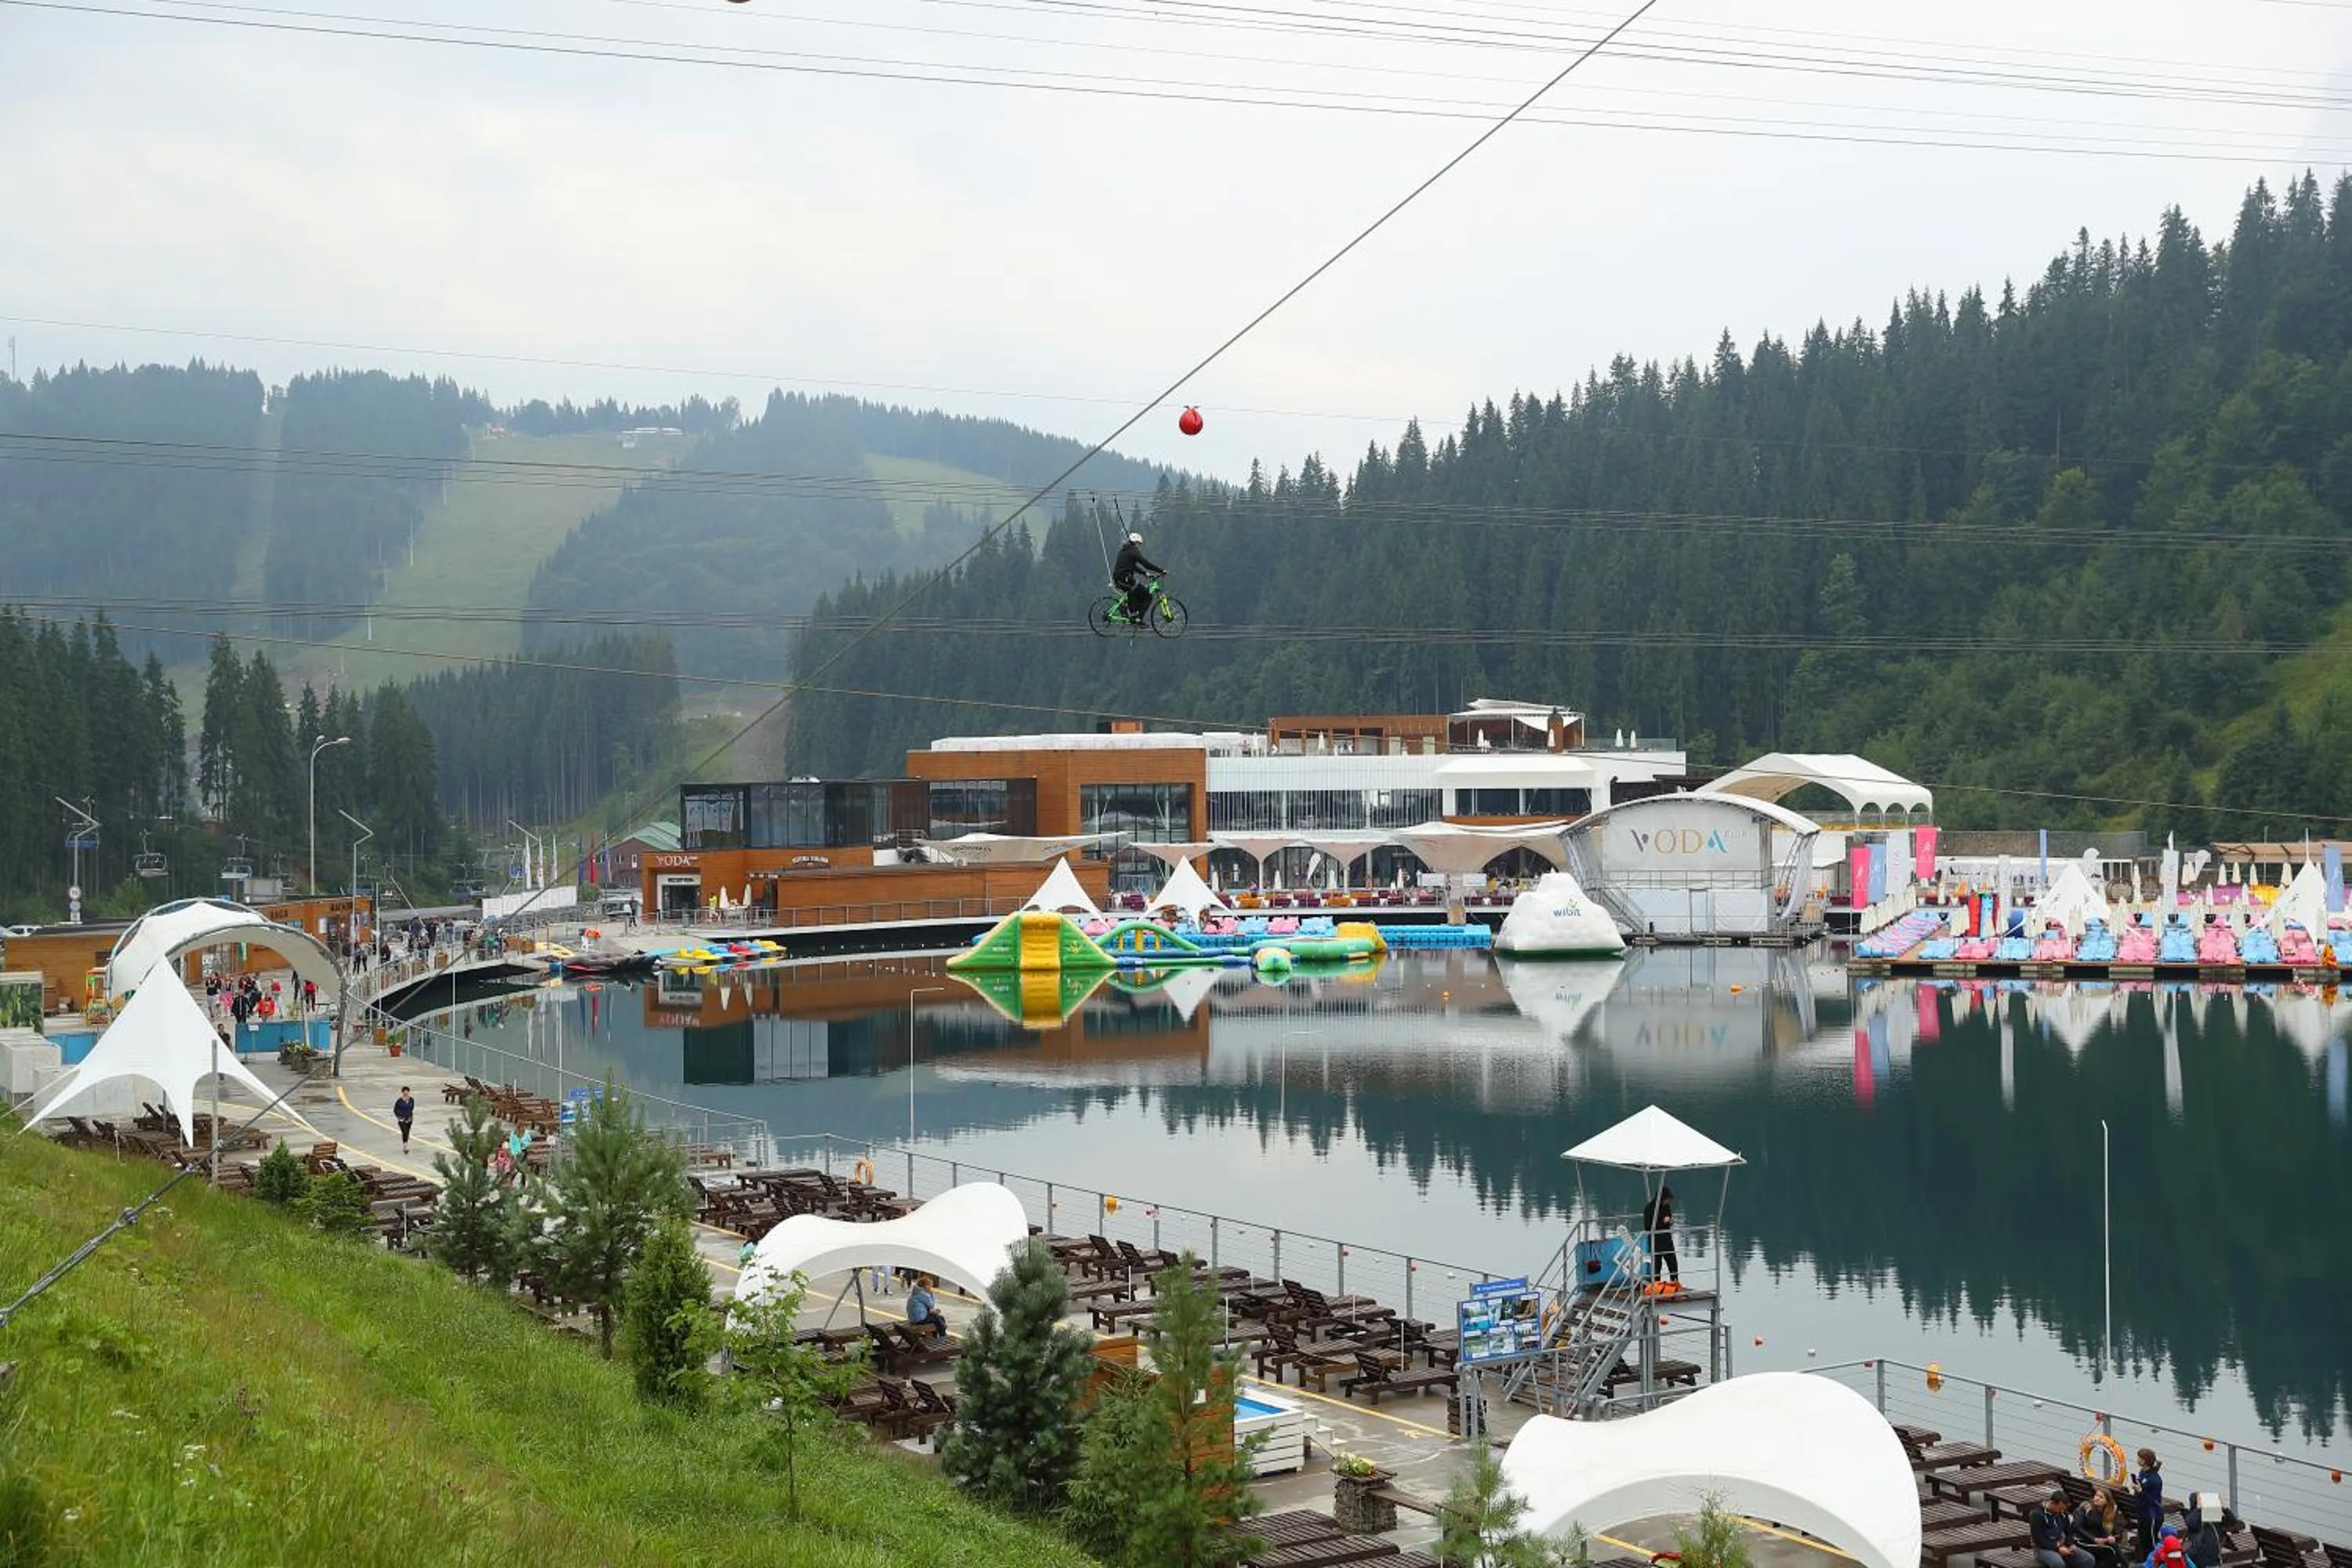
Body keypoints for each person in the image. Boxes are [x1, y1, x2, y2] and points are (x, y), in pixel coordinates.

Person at [1111, 531, 1163, 621]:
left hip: (1119, 579)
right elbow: (1145, 563)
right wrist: (1161, 570)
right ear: (1135, 543)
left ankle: (1130, 612)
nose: (1140, 547)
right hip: (1125, 579)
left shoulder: (1124, 550)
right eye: (1139, 544)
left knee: (1138, 592)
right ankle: (1138, 619)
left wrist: (1145, 573)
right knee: (1148, 597)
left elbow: (1132, 566)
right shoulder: (1133, 551)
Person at [2032, 1490, 2093, 1568]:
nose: (2061, 1512)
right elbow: (2039, 1540)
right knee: (2058, 1564)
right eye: (2059, 1509)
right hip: (2043, 1549)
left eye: (2063, 1509)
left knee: (2088, 1559)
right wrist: (2057, 1548)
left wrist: (2071, 1544)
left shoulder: (2063, 1514)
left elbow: (2069, 1532)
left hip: (2063, 1545)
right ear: (2052, 1503)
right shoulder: (2037, 1514)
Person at [2181, 1494, 2241, 1568]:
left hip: (2213, 1560)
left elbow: (2232, 1521)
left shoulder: (2215, 1519)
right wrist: (2199, 1509)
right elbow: (2191, 1523)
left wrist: (2224, 1508)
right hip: (2198, 1560)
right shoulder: (2194, 1518)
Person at [2074, 1488, 2124, 1568]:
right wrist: (2094, 1539)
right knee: (2110, 1551)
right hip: (2081, 1540)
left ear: (2106, 1502)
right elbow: (2077, 1527)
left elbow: (2105, 1529)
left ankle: (2125, 1565)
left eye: (2101, 1497)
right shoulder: (2086, 1507)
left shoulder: (2104, 1512)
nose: (2097, 1498)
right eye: (2096, 1495)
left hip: (2095, 1541)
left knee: (2114, 1547)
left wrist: (2110, 1537)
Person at [1642, 1184, 1680, 1285]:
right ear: (1662, 1198)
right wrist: (1662, 1222)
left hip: (1667, 1239)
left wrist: (1670, 1221)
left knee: (1673, 1263)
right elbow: (1647, 1226)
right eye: (1667, 1199)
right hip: (1656, 1241)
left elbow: (1668, 1219)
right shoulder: (1649, 1208)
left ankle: (1675, 1283)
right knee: (1657, 1265)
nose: (1668, 1202)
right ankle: (1656, 1286)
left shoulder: (1667, 1207)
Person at [2132, 1450, 2165, 1554]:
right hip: (2142, 1513)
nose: (2137, 1459)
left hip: (2152, 1517)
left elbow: (2154, 1501)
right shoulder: (2143, 1472)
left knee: (2152, 1545)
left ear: (2144, 1461)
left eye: (2139, 1458)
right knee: (2143, 1543)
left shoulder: (2155, 1480)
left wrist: (2140, 1491)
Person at [905, 1274, 949, 1340]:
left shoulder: (916, 1291)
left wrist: (931, 1311)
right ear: (925, 1286)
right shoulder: (922, 1294)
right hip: (919, 1319)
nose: (931, 1288)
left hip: (914, 1317)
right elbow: (931, 1304)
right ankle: (942, 1336)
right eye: (930, 1286)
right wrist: (931, 1293)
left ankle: (936, 1336)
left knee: (939, 1318)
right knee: (937, 1319)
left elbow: (922, 1307)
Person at [393, 1086, 415, 1151]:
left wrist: (410, 1116)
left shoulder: (411, 1100)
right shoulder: (399, 1101)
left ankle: (405, 1144)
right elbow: (395, 1109)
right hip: (402, 1119)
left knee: (407, 1132)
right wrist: (399, 1117)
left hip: (409, 1119)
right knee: (404, 1131)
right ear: (402, 1093)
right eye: (404, 1093)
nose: (406, 1094)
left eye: (407, 1093)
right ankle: (405, 1146)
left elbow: (412, 1108)